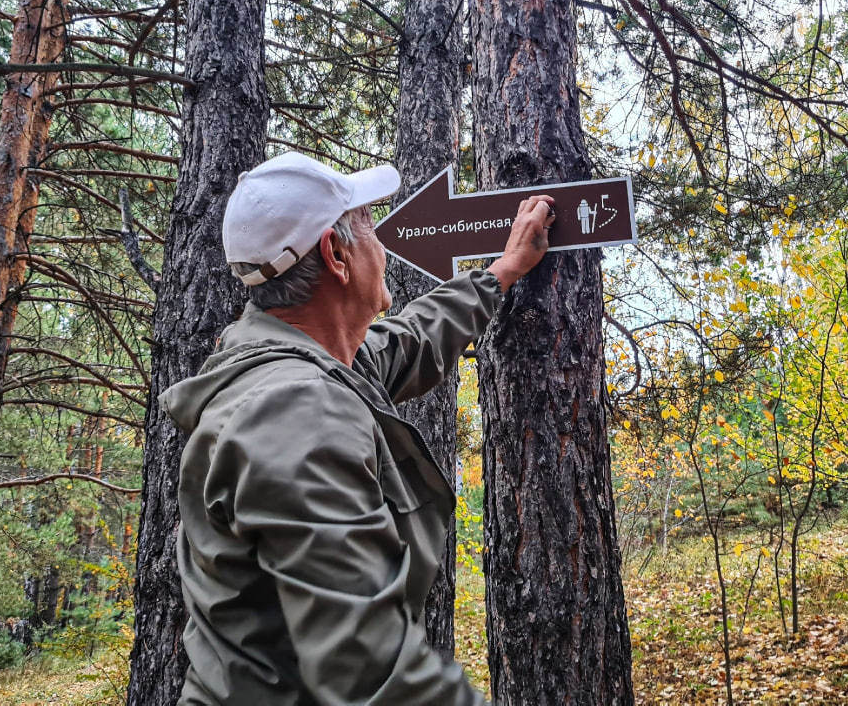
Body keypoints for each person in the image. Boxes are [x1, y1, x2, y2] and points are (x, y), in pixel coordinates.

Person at [160, 151, 554, 705]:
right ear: (337, 254)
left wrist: (502, 272)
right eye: (369, 227)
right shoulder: (296, 411)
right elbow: (372, 670)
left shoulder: (302, 363)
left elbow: (410, 339)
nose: (383, 246)